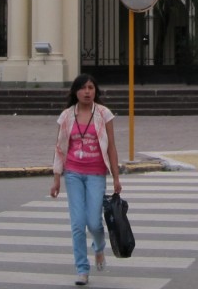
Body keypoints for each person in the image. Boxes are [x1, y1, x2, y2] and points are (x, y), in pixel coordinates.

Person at [50, 74, 122, 286]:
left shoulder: (103, 114)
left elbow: (111, 147)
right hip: (73, 173)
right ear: (75, 92)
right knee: (78, 224)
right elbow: (60, 148)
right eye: (83, 88)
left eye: (91, 88)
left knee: (94, 222)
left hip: (96, 174)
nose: (87, 92)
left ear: (95, 91)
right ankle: (82, 269)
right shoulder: (66, 117)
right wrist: (56, 179)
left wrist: (116, 178)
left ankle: (99, 248)